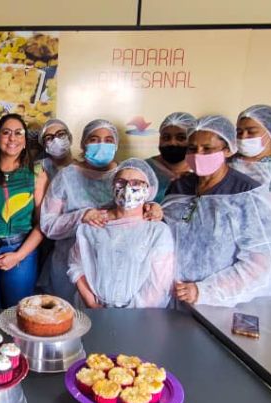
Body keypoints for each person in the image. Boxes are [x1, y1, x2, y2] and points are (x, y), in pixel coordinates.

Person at [38, 119, 161, 300]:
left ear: (116, 144)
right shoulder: (67, 177)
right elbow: (48, 224)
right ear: (83, 143)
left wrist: (153, 208)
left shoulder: (127, 177)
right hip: (68, 268)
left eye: (108, 140)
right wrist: (82, 217)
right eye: (94, 139)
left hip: (114, 269)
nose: (101, 144)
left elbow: (140, 213)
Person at [163, 115, 271, 307]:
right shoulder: (179, 187)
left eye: (207, 149)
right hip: (171, 297)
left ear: (228, 150)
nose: (198, 155)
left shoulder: (248, 193)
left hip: (223, 303)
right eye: (192, 149)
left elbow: (259, 263)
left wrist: (204, 291)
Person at [68, 158, 174, 308]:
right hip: (92, 309)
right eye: (121, 183)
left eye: (136, 183)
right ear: (112, 187)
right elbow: (76, 265)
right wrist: (92, 304)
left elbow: (158, 284)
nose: (127, 188)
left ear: (149, 190)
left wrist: (128, 314)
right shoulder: (95, 224)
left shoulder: (157, 231)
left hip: (139, 316)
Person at [0, 114, 48, 308]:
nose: (12, 138)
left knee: (16, 314)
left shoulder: (36, 174)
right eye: (6, 132)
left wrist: (18, 256)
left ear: (24, 141)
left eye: (18, 133)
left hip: (21, 252)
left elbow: (43, 224)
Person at [146, 112, 196, 202]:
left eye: (181, 138)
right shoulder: (143, 169)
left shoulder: (202, 171)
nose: (172, 143)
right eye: (166, 137)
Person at [230, 104, 271, 188]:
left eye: (251, 132)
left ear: (269, 132)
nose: (243, 137)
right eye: (239, 132)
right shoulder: (228, 160)